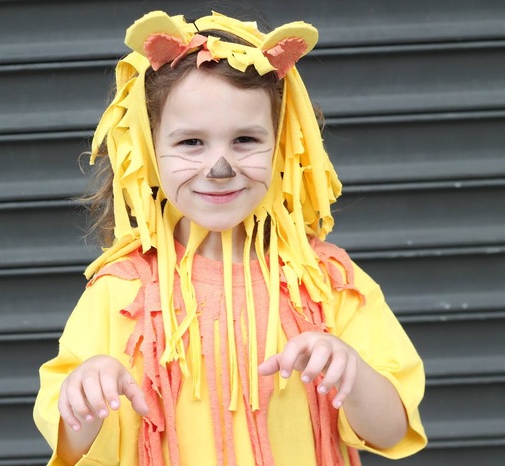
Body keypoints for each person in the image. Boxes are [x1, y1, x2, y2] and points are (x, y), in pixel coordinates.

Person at [34, 10, 427, 466]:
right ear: (148, 147)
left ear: (281, 143)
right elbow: (70, 446)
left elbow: (394, 430)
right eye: (190, 143)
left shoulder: (328, 282)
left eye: (244, 139)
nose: (220, 168)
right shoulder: (117, 290)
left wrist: (352, 373)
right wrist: (86, 390)